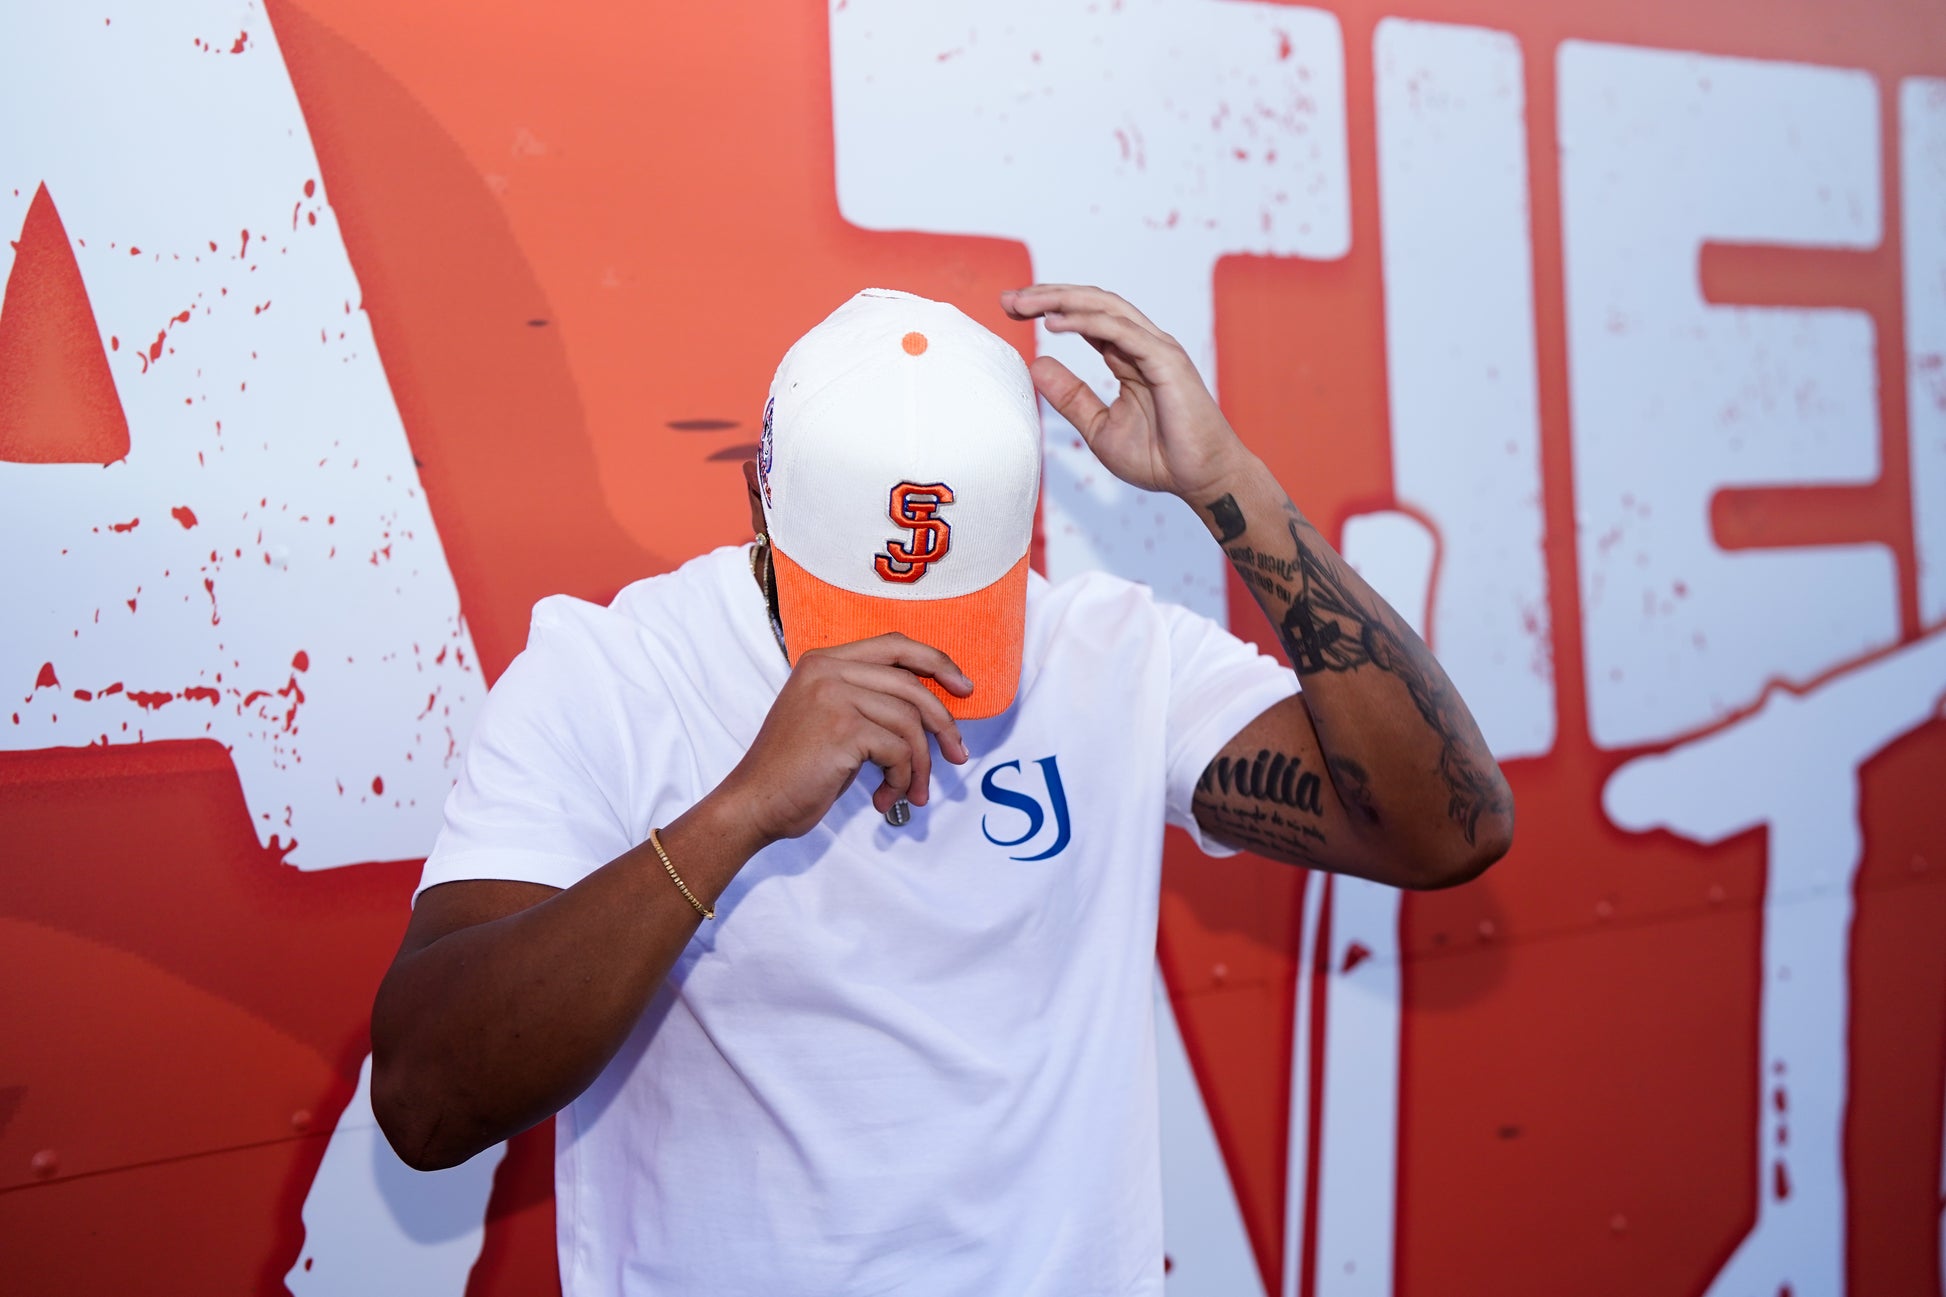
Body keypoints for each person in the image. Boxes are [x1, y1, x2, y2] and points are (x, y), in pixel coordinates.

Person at [370, 284, 1513, 1295]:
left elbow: (1440, 830)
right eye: (856, 608)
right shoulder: (609, 675)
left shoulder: (1107, 652)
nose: (913, 661)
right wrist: (739, 812)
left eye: (954, 610)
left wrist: (1231, 487)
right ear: (758, 502)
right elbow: (425, 1103)